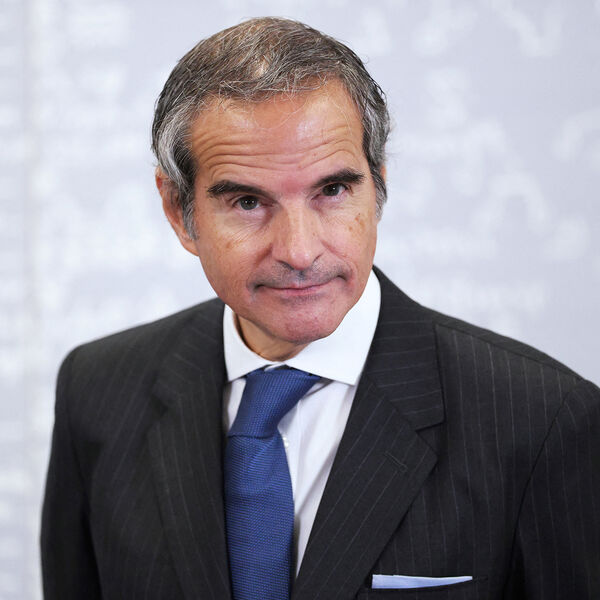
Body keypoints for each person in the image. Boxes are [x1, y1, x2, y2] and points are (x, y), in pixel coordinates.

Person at [41, 17, 600, 600]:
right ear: (178, 211)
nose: (300, 251)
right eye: (248, 201)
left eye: (332, 191)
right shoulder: (96, 391)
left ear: (377, 187)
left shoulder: (544, 421)